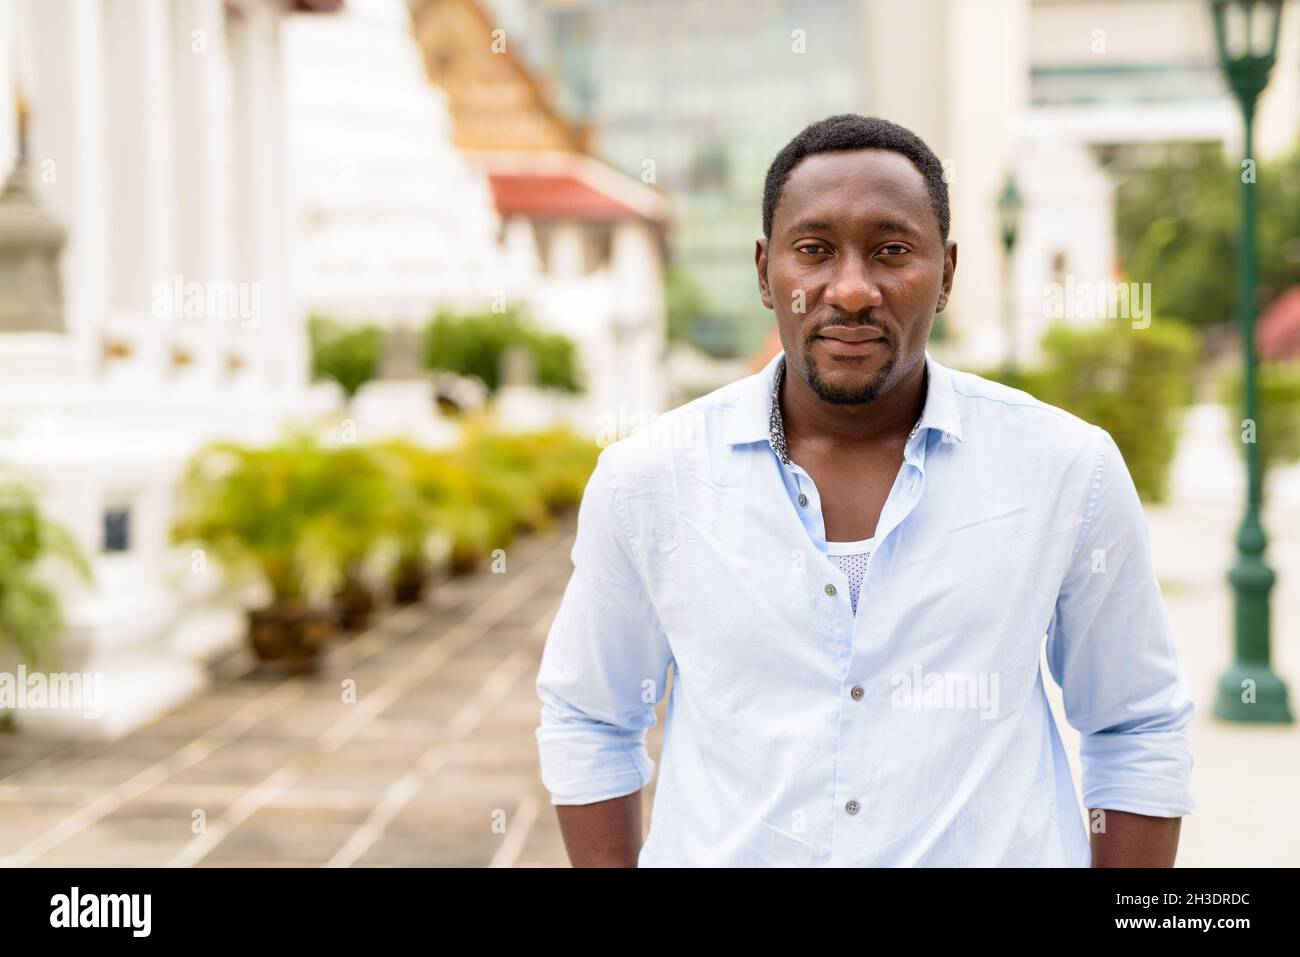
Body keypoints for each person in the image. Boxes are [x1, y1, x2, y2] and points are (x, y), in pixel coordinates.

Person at [534, 113, 1194, 867]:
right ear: (764, 271)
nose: (850, 290)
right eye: (814, 250)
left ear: (946, 273)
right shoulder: (648, 481)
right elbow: (589, 715)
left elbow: (1136, 725)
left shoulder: (1067, 471)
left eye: (890, 251)